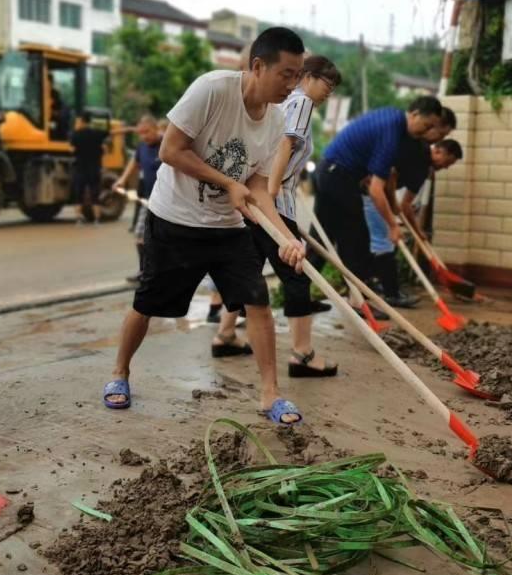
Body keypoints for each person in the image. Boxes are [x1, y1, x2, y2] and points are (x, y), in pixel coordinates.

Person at [102, 27, 308, 425]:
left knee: (258, 302)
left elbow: (258, 187)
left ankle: (271, 395)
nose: (292, 84)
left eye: (298, 75)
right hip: (175, 217)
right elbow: (170, 150)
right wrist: (227, 182)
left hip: (228, 228)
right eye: (286, 74)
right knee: (146, 303)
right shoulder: (212, 90)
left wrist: (286, 238)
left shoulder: (276, 120)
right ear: (258, 66)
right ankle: (119, 373)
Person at [217, 55, 342, 376]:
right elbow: (285, 144)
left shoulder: (286, 104)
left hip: (263, 202)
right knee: (297, 272)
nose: (329, 92)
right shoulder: (300, 103)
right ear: (308, 77)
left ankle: (225, 335)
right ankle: (302, 355)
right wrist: (271, 191)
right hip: (273, 203)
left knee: (250, 269)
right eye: (327, 84)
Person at [313, 96, 455, 287]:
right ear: (414, 114)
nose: (427, 132)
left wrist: (393, 209)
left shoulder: (393, 121)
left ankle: (300, 301)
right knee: (357, 240)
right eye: (427, 125)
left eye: (431, 129)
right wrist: (393, 225)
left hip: (330, 171)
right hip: (338, 176)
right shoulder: (393, 132)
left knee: (321, 238)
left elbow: (383, 177)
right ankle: (358, 303)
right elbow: (376, 190)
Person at [362, 137, 463, 304]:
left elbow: (406, 205)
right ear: (439, 150)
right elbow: (391, 173)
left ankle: (377, 283)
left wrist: (418, 231)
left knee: (382, 242)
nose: (445, 167)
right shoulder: (418, 152)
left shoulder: (423, 171)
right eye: (448, 162)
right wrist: (393, 204)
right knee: (383, 242)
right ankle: (392, 294)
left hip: (380, 195)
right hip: (370, 192)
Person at [112, 115, 163, 281]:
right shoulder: (142, 147)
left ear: (156, 129)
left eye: (147, 132)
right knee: (140, 237)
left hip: (169, 200)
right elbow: (133, 164)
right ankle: (144, 271)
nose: (143, 136)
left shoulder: (168, 143)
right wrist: (121, 180)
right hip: (148, 200)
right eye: (140, 133)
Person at [69, 113, 114, 224]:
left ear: (82, 121)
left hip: (80, 168)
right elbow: (110, 134)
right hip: (94, 169)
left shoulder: (76, 135)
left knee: (79, 194)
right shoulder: (97, 134)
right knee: (95, 194)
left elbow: (72, 150)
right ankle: (97, 219)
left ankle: (79, 219)